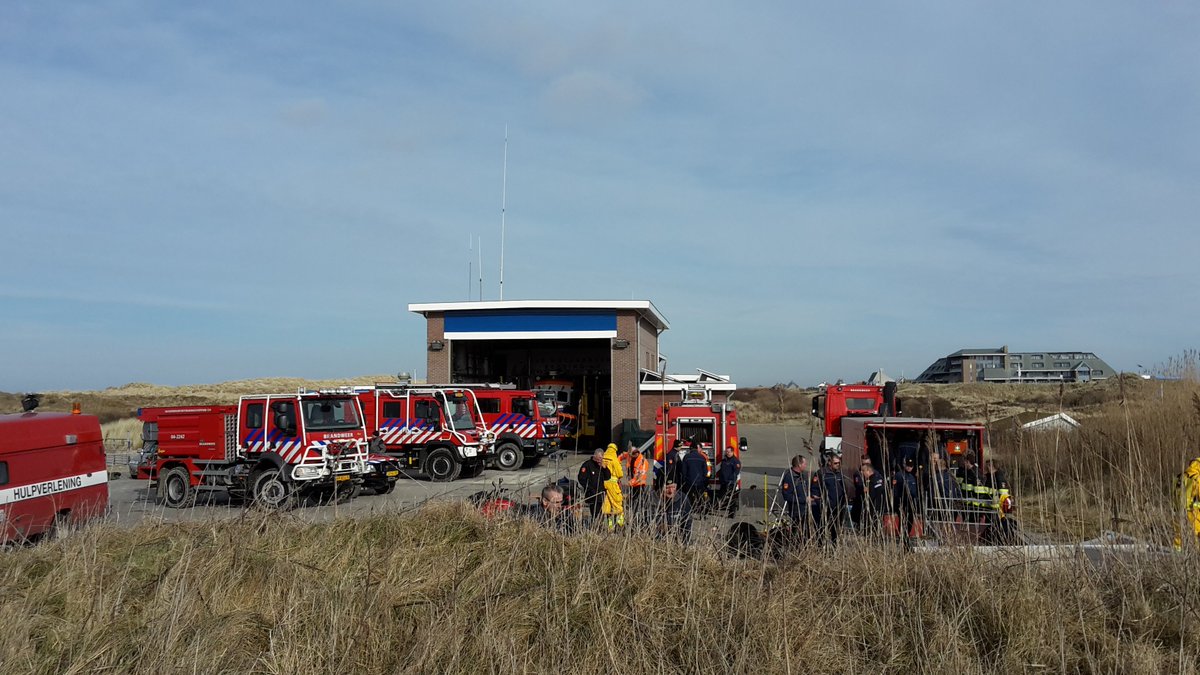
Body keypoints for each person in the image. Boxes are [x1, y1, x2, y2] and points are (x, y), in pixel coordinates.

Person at [811, 452, 849, 546]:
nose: (838, 465)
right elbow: (814, 490)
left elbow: (843, 489)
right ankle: (821, 548)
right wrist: (820, 502)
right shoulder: (821, 473)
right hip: (826, 508)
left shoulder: (839, 474)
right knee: (822, 530)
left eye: (839, 463)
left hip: (838, 508)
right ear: (829, 463)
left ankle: (834, 547)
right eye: (835, 463)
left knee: (835, 531)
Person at [779, 454, 811, 536]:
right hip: (796, 510)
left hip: (805, 509)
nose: (806, 466)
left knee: (806, 531)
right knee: (797, 532)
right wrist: (803, 500)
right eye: (804, 464)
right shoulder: (789, 477)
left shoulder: (801, 475)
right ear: (799, 465)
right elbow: (787, 496)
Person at [854, 461, 887, 538]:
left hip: (872, 509)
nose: (862, 473)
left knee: (869, 530)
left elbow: (870, 496)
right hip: (880, 508)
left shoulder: (869, 482)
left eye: (863, 471)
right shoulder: (879, 479)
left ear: (868, 471)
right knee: (878, 528)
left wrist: (864, 492)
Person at [577, 449, 611, 521]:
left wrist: (604, 469)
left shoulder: (601, 466)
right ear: (594, 456)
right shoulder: (587, 465)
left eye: (601, 458)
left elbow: (608, 477)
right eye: (599, 458)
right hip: (592, 494)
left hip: (601, 494)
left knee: (600, 513)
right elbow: (581, 478)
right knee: (595, 513)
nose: (600, 460)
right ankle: (595, 523)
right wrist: (590, 489)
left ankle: (598, 524)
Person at [1174, 456, 1200, 551]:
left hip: (1178, 511)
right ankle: (1194, 555)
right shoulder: (1198, 478)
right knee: (1195, 535)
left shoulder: (1181, 476)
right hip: (1194, 512)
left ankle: (1177, 554)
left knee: (1179, 535)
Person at [892, 457, 920, 540]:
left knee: (910, 517)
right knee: (902, 517)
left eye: (911, 466)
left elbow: (914, 490)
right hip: (901, 500)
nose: (909, 467)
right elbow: (895, 489)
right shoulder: (899, 475)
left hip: (911, 501)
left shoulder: (912, 477)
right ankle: (902, 533)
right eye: (908, 466)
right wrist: (897, 501)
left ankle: (907, 533)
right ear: (904, 465)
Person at [620, 441, 652, 514]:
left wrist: (629, 483)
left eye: (631, 455)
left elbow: (639, 477)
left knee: (638, 500)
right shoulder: (631, 455)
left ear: (636, 453)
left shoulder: (642, 462)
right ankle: (633, 511)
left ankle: (637, 513)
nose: (630, 456)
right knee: (632, 499)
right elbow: (623, 455)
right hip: (632, 483)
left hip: (639, 484)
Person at [601, 443, 625, 530]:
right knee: (618, 504)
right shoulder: (614, 459)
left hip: (604, 484)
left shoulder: (602, 458)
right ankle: (620, 524)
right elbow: (620, 474)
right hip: (613, 485)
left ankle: (609, 526)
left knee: (607, 505)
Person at [681, 441, 710, 509]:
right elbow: (705, 471)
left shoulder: (686, 457)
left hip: (689, 482)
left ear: (690, 449)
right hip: (700, 482)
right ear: (697, 448)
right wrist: (704, 480)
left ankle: (689, 510)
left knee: (689, 497)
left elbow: (683, 471)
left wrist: (684, 480)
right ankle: (701, 510)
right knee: (700, 497)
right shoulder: (702, 457)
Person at [715, 446, 741, 517]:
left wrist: (730, 480)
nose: (727, 453)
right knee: (720, 496)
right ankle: (718, 509)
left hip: (731, 483)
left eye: (729, 452)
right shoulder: (724, 461)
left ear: (732, 452)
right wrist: (721, 478)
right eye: (726, 452)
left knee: (732, 498)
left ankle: (731, 514)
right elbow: (721, 470)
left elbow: (736, 472)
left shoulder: (736, 461)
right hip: (723, 482)